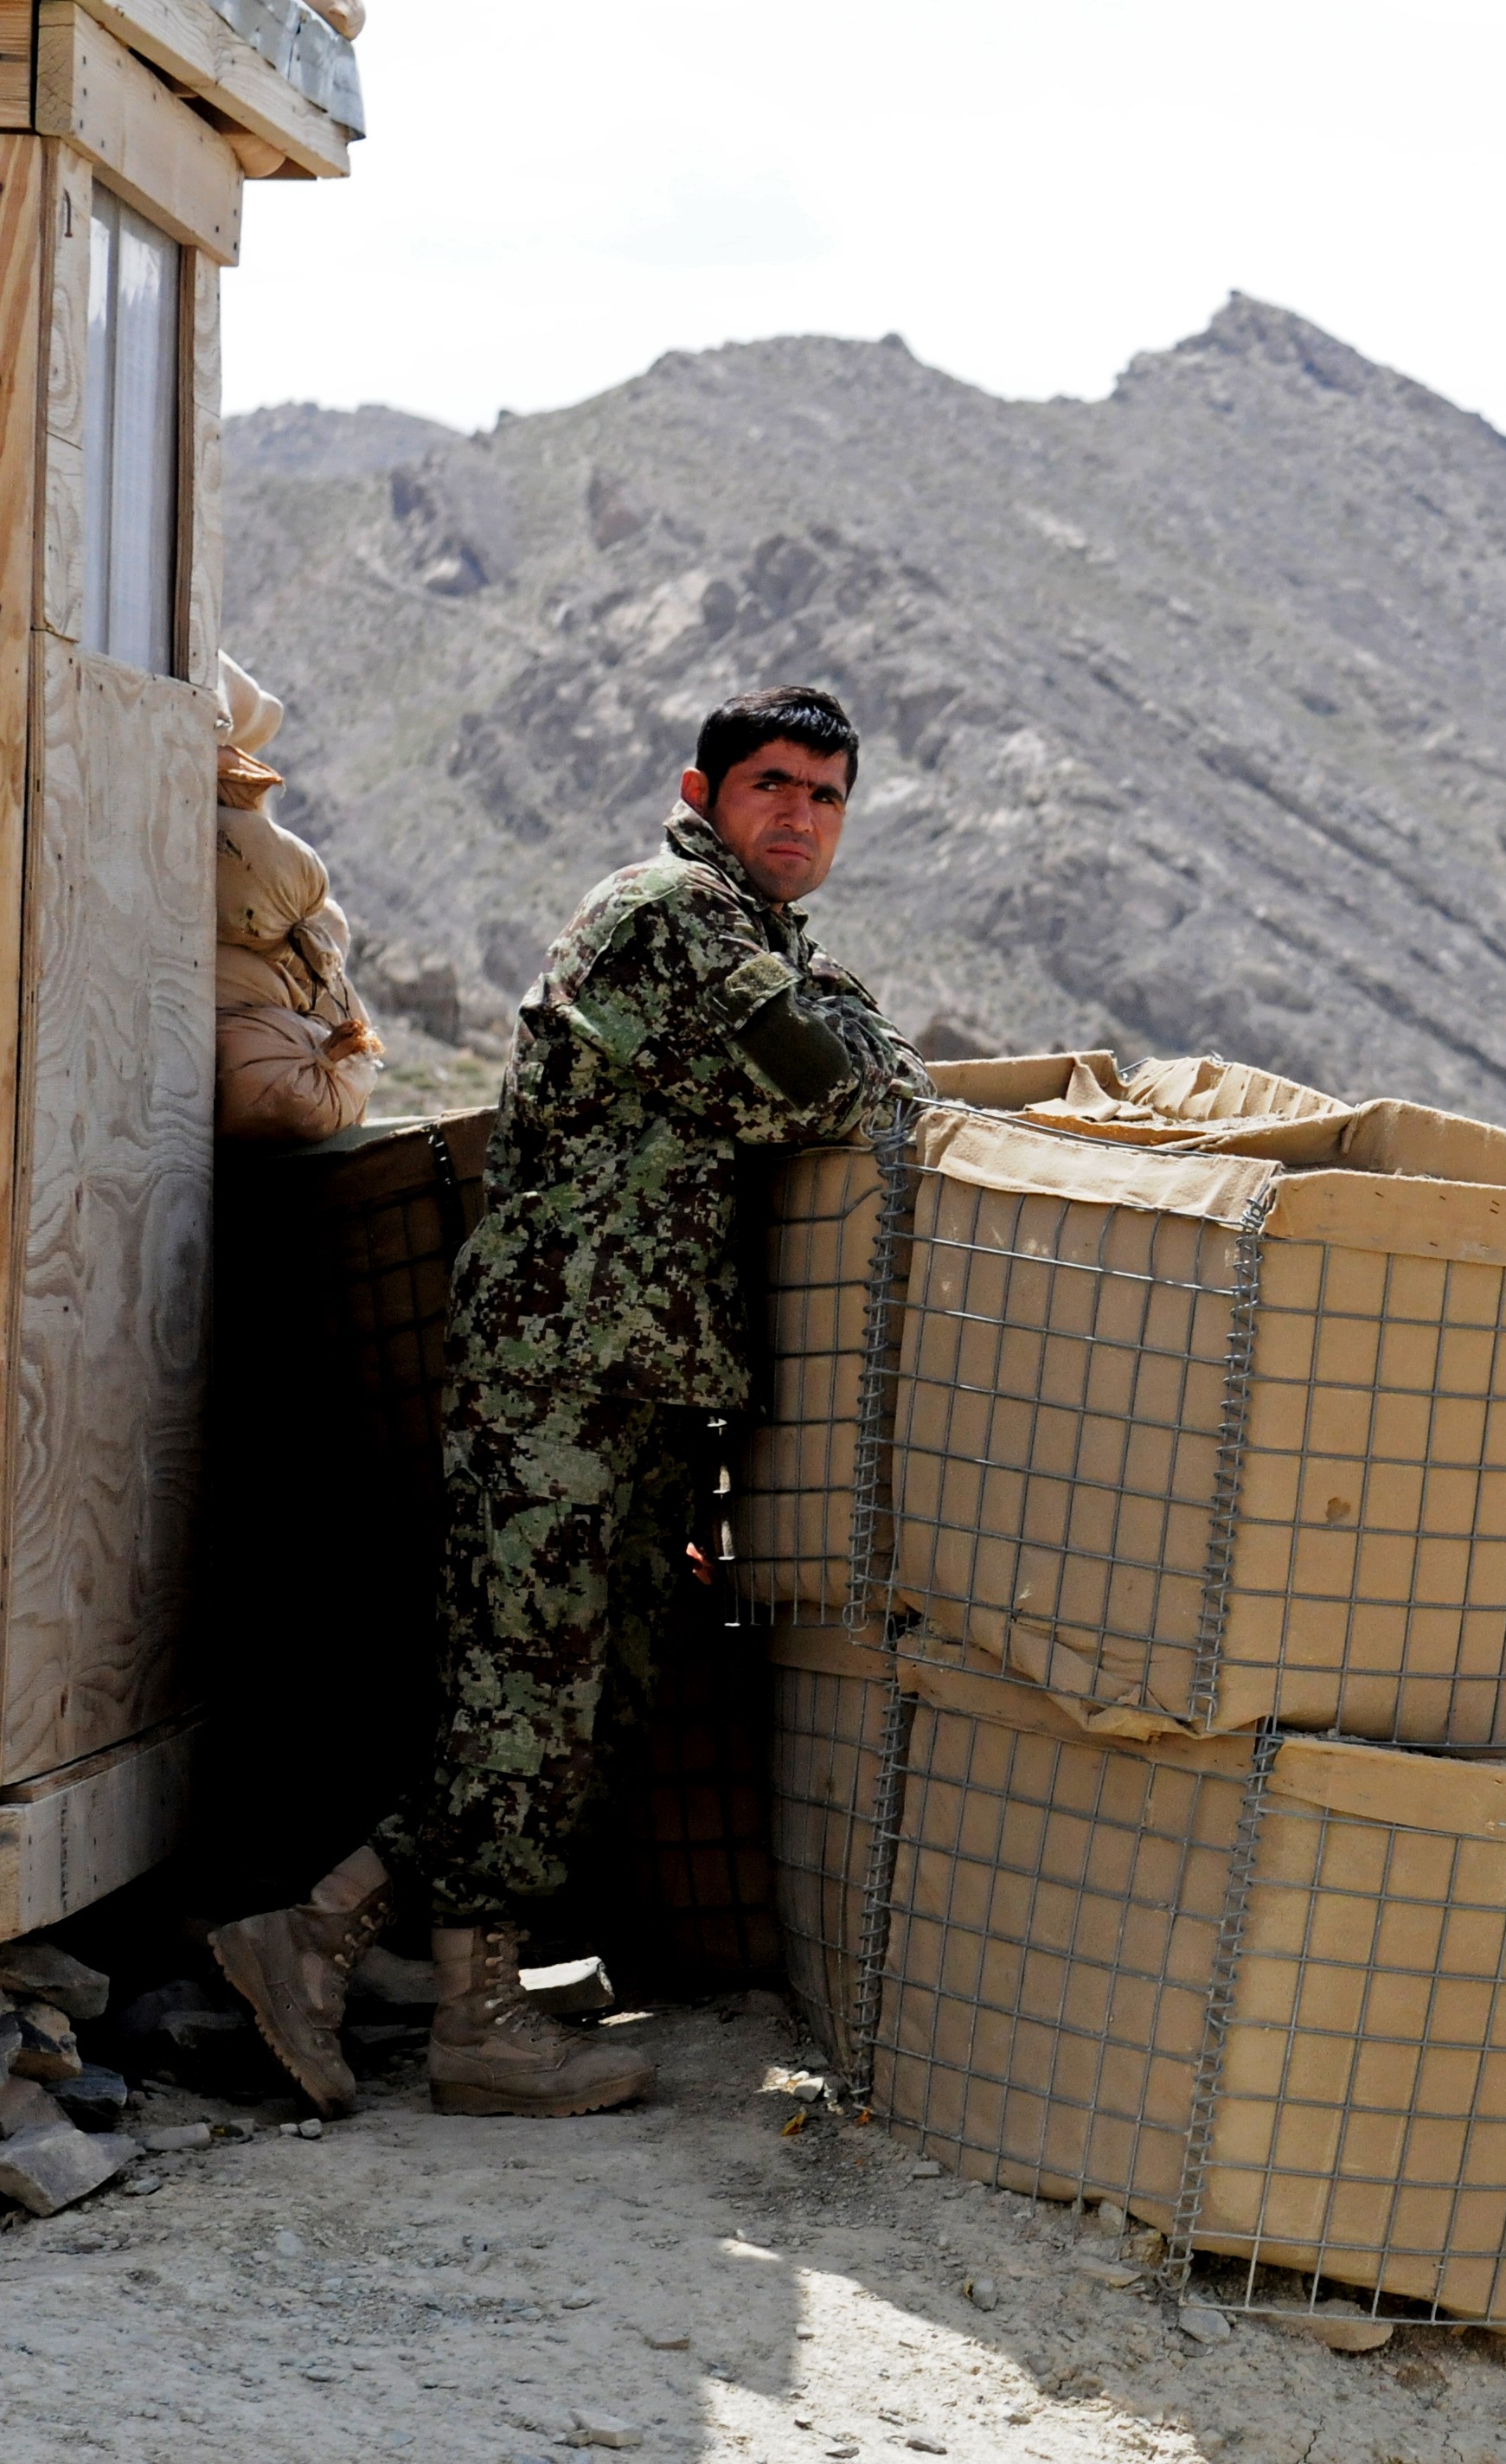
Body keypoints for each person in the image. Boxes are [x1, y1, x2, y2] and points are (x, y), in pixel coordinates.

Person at [213, 685, 927, 2119]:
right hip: (566, 1366)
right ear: (704, 789)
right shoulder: (667, 916)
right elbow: (838, 1092)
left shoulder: (765, 939)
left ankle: (411, 1959)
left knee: (581, 1706)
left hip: (647, 1373)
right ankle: (355, 1958)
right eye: (774, 785)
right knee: (527, 1692)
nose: (800, 816)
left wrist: (849, 1047)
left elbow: (878, 1070)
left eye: (828, 796)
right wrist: (845, 1050)